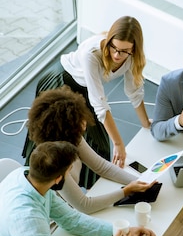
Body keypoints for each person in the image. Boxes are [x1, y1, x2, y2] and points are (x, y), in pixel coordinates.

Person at [0, 141, 156, 236]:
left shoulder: (28, 175)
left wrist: (122, 230)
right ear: (58, 179)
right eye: (69, 171)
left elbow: (72, 220)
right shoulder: (28, 218)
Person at [22, 16, 151, 188]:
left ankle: (90, 189)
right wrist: (119, 144)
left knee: (100, 147)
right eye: (113, 47)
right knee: (53, 139)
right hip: (61, 83)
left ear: (134, 49)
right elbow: (100, 104)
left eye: (124, 51)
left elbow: (134, 92)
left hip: (85, 90)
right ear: (110, 40)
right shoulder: (92, 53)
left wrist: (147, 125)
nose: (117, 55)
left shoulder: (132, 57)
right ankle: (38, 179)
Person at [24, 86, 156, 214]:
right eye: (78, 119)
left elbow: (102, 167)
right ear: (66, 128)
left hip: (72, 208)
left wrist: (142, 180)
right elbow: (84, 205)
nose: (85, 122)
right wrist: (126, 191)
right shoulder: (54, 160)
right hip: (58, 218)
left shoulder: (74, 139)